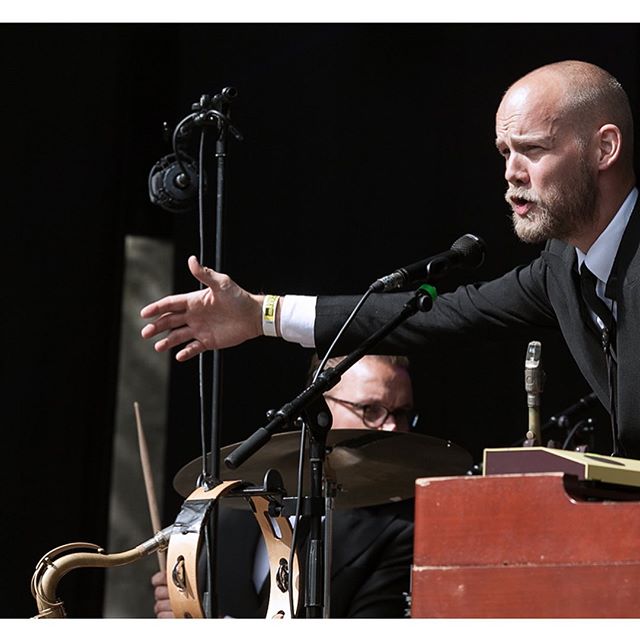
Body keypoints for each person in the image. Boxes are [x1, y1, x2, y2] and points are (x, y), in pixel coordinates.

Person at [140, 59, 639, 458]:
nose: (511, 173)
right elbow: (433, 316)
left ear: (605, 148)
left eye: (532, 149)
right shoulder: (561, 268)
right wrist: (260, 314)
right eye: (504, 151)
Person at [152, 354, 417, 618]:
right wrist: (185, 611)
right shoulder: (234, 510)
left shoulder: (402, 531)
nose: (393, 428)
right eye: (370, 409)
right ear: (317, 409)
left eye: (402, 413)